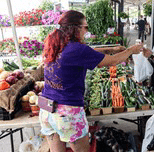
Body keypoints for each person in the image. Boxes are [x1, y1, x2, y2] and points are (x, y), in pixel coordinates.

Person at [39, 10, 143, 152]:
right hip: (67, 112)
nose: (86, 31)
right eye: (85, 27)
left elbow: (87, 52)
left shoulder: (55, 44)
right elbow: (111, 61)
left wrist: (112, 48)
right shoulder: (76, 49)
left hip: (46, 109)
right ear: (75, 28)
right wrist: (131, 50)